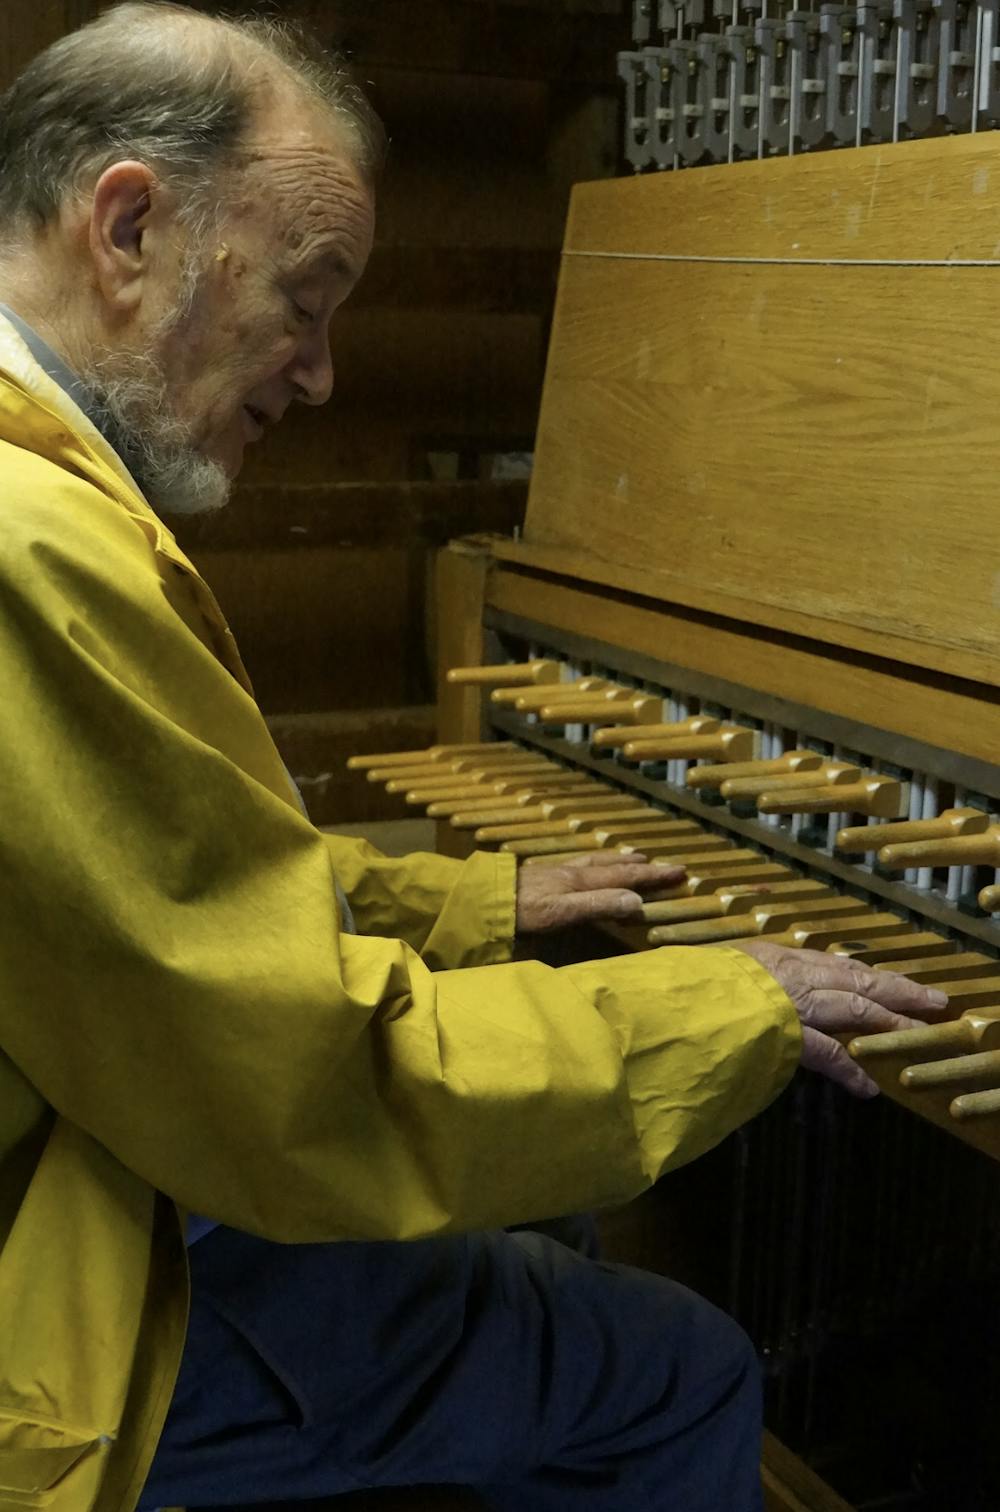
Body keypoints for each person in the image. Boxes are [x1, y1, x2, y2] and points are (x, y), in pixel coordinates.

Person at [0, 6, 946, 1512]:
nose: (317, 374)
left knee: (546, 1234)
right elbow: (293, 1089)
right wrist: (724, 1006)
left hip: (102, 1157)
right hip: (66, 1295)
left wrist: (473, 913)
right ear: (126, 225)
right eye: (308, 299)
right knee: (682, 1371)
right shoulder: (29, 544)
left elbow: (155, 906)